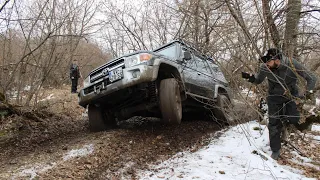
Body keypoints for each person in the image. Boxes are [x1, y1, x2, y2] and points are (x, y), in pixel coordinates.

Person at [241, 48, 317, 160]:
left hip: (291, 96)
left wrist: (308, 93)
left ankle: (286, 119)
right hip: (274, 97)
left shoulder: (291, 63)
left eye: (268, 62)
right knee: (273, 124)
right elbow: (258, 80)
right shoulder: (265, 68)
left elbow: (312, 78)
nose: (266, 64)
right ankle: (275, 150)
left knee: (294, 119)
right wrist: (249, 77)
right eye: (265, 62)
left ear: (277, 60)